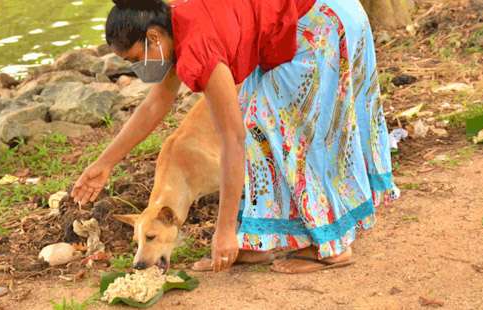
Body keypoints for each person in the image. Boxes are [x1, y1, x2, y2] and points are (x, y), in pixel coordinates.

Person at [71, 0, 398, 274]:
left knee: (294, 130)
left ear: (153, 37)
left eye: (133, 59)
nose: (136, 69)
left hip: (320, 22)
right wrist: (104, 163)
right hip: (299, 23)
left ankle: (331, 247)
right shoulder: (174, 25)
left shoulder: (198, 47)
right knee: (258, 121)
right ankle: (258, 240)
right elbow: (156, 103)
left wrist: (224, 229)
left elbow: (231, 139)